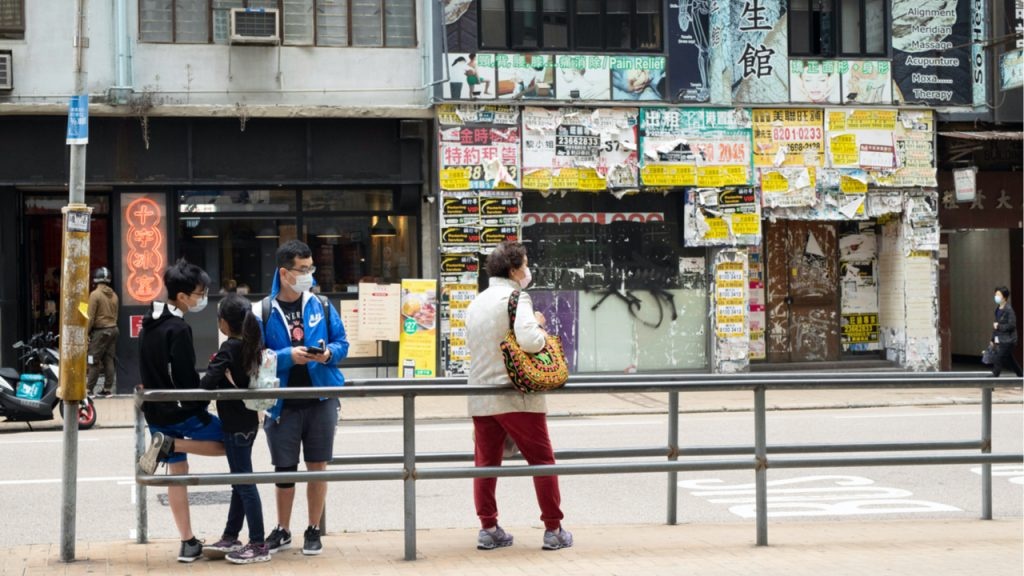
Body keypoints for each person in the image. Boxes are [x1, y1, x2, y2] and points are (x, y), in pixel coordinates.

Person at [465, 241, 573, 551]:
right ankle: (553, 529)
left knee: (486, 463)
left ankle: (488, 527)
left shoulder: (477, 302)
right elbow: (530, 341)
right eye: (525, 264)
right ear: (514, 270)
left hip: (482, 394)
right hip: (517, 394)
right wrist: (539, 325)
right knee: (542, 461)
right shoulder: (516, 297)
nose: (528, 270)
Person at [257, 240, 348, 556]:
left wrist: (327, 355)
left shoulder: (321, 304)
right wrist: (287, 357)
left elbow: (342, 343)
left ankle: (313, 529)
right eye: (303, 269)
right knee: (284, 468)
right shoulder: (263, 310)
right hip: (281, 404)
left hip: (320, 399)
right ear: (284, 273)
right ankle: (282, 529)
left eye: (311, 268)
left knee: (317, 465)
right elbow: (255, 358)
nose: (309, 274)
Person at [136, 259, 227, 563]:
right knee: (231, 441)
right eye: (200, 293)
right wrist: (201, 402)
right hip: (180, 411)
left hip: (155, 411)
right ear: (183, 296)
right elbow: (186, 378)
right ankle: (173, 444)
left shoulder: (149, 321)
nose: (202, 298)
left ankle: (188, 542)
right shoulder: (178, 328)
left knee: (178, 473)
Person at [200, 294, 271, 564]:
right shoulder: (253, 343)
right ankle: (231, 535)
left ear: (224, 323)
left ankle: (258, 543)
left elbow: (208, 382)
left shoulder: (229, 348)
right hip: (249, 421)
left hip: (236, 424)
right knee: (239, 482)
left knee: (245, 483)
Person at [86, 267, 119, 397]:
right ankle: (107, 389)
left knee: (92, 360)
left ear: (96, 280)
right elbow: (116, 315)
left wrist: (85, 333)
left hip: (100, 331)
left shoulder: (95, 295)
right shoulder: (115, 295)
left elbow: (90, 317)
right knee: (108, 360)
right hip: (113, 329)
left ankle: (89, 390)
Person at [990, 286, 1022, 378]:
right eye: (995, 294)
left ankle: (992, 382)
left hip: (1009, 340)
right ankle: (1021, 377)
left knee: (998, 359)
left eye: (998, 295)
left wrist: (999, 326)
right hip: (1001, 339)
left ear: (1004, 297)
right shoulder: (997, 309)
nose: (996, 296)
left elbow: (1012, 325)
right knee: (1010, 360)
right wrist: (992, 339)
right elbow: (995, 326)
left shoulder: (1009, 310)